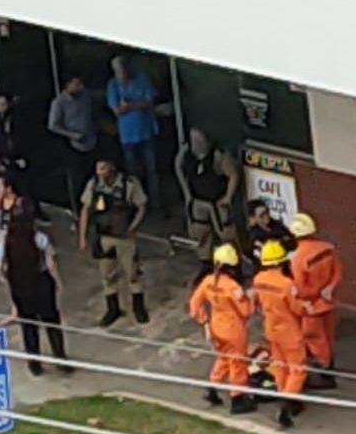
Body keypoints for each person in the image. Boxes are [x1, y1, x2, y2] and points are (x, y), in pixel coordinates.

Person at [0, 211, 71, 376]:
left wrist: (6, 280)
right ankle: (60, 360)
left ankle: (34, 364)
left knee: (28, 325)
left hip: (20, 286)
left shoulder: (7, 239)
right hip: (41, 284)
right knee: (51, 323)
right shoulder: (40, 238)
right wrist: (57, 282)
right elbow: (50, 263)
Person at [78, 159, 149, 327]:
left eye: (103, 168)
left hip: (124, 237)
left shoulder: (129, 184)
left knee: (132, 273)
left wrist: (133, 226)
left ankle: (138, 308)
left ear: (112, 167)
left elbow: (142, 205)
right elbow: (85, 209)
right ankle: (113, 309)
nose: (99, 172)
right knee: (107, 275)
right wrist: (83, 236)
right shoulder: (94, 184)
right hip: (103, 237)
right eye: (97, 168)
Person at [188, 243, 256, 415]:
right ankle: (237, 399)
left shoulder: (208, 281)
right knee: (238, 363)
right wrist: (250, 298)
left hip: (216, 326)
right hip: (233, 330)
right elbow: (246, 311)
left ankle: (212, 388)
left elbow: (194, 305)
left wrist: (204, 322)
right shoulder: (233, 287)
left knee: (224, 358)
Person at [251, 240, 312, 429]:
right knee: (298, 369)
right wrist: (306, 307)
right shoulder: (287, 284)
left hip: (271, 329)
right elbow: (296, 308)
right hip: (289, 331)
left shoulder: (258, 279)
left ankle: (288, 399)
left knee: (279, 366)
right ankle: (287, 404)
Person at [175, 128, 240, 284]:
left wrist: (228, 197)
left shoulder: (218, 155)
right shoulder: (186, 154)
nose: (198, 144)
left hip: (217, 201)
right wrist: (187, 194)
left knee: (226, 233)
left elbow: (233, 174)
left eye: (201, 140)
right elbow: (178, 168)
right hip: (198, 202)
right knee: (201, 233)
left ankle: (234, 266)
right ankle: (206, 264)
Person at [0, 93, 51, 224]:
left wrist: (24, 158)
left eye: (4, 104)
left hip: (19, 158)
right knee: (7, 190)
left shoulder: (16, 118)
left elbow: (25, 138)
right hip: (4, 161)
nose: (2, 107)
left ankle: (36, 213)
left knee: (28, 188)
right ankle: (11, 215)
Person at [289, 213, 343, 389]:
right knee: (328, 337)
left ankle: (325, 374)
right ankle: (328, 370)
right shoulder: (328, 248)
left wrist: (301, 299)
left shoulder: (298, 258)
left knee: (315, 340)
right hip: (328, 301)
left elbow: (300, 287)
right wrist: (329, 288)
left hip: (311, 306)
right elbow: (338, 272)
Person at [106, 55, 162, 213]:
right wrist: (137, 105)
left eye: (123, 73)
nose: (122, 78)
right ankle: (138, 206)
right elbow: (117, 110)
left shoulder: (142, 78)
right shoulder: (112, 85)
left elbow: (149, 101)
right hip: (127, 137)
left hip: (146, 132)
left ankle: (156, 205)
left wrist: (129, 105)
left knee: (152, 170)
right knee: (133, 174)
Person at [48, 73, 99, 213]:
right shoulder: (59, 103)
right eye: (77, 84)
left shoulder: (86, 97)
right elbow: (53, 125)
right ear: (68, 85)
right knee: (77, 178)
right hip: (72, 145)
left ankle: (95, 206)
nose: (80, 87)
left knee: (93, 176)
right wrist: (71, 135)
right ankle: (77, 209)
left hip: (91, 141)